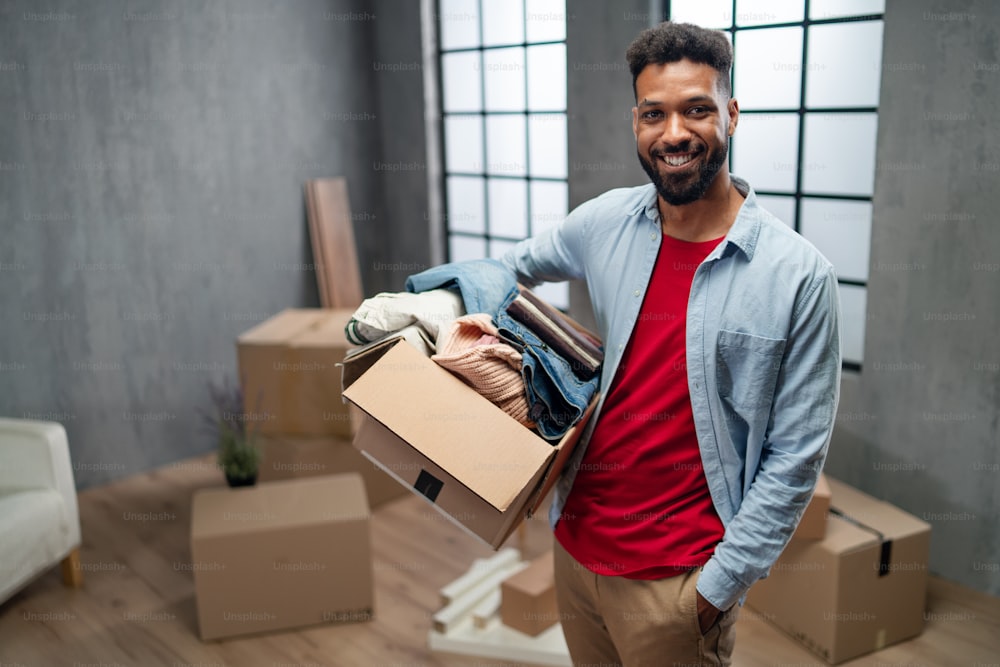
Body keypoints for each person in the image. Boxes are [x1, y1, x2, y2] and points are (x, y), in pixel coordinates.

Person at [500, 21, 841, 666]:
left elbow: (795, 457)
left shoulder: (798, 276)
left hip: (677, 581)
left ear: (731, 116)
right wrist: (431, 298)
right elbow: (510, 267)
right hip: (574, 551)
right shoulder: (605, 221)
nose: (675, 134)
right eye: (655, 113)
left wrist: (716, 589)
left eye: (697, 110)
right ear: (637, 122)